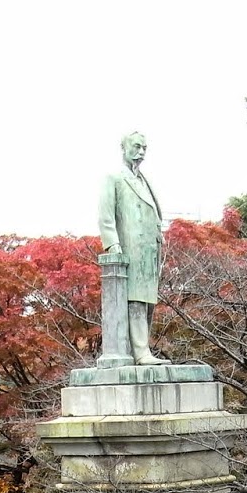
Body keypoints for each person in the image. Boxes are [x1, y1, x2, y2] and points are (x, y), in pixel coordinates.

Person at [98, 131, 167, 366]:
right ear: (123, 147)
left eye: (144, 148)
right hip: (130, 247)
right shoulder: (114, 178)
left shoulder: (144, 180)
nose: (141, 152)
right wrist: (112, 243)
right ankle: (141, 352)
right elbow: (106, 214)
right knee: (135, 300)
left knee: (147, 301)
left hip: (149, 251)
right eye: (137, 146)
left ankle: (142, 349)